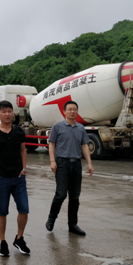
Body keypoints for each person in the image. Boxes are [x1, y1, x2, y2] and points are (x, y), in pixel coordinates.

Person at [0, 100, 30, 257]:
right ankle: (3, 242)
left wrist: (24, 169)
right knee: (2, 211)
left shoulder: (18, 131)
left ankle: (19, 238)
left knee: (24, 209)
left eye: (9, 111)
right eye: (3, 112)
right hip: (1, 178)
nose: (7, 114)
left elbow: (23, 150)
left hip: (19, 177)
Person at [45, 100, 93, 236]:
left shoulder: (80, 128)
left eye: (74, 109)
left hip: (76, 164)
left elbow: (84, 145)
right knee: (61, 194)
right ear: (64, 111)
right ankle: (51, 219)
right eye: (70, 109)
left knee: (75, 197)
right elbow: (52, 144)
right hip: (62, 163)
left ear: (77, 112)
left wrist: (89, 163)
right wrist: (52, 161)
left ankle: (73, 225)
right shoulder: (57, 126)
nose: (72, 112)